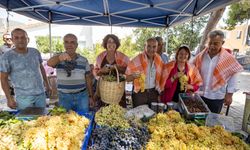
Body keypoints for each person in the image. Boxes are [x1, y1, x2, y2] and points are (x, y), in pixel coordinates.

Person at [192, 30, 243, 113]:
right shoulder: (200, 56)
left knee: (213, 122)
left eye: (216, 43)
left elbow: (233, 76)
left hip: (216, 96)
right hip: (200, 94)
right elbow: (191, 69)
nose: (212, 46)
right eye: (210, 43)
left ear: (222, 43)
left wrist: (229, 95)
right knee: (198, 120)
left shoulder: (228, 58)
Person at [0, 28, 51, 110]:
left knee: (42, 120)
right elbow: (3, 79)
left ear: (28, 39)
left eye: (23, 37)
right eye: (16, 38)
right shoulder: (7, 57)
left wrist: (47, 84)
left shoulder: (35, 52)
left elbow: (41, 69)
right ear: (12, 40)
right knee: (26, 122)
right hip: (23, 97)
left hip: (40, 94)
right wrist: (9, 98)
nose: (20, 40)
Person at [47, 33, 94, 113]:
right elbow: (49, 63)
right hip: (64, 97)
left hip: (82, 96)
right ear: (64, 44)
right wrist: (59, 57)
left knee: (83, 119)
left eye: (72, 42)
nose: (69, 45)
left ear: (76, 45)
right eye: (66, 42)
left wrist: (90, 96)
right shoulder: (58, 57)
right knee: (65, 122)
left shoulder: (83, 60)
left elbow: (88, 79)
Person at [126, 38, 164, 108]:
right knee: (139, 116)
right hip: (139, 93)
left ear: (157, 47)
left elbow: (161, 78)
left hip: (153, 93)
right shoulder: (136, 60)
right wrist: (133, 76)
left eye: (154, 47)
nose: (151, 49)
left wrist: (159, 92)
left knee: (153, 115)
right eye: (148, 46)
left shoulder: (159, 60)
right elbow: (127, 78)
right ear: (144, 46)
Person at [95, 34, 129, 107]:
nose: (111, 44)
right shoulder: (100, 57)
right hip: (104, 91)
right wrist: (102, 70)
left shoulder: (123, 57)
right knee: (104, 114)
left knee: (118, 113)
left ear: (117, 44)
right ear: (105, 44)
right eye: (109, 42)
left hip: (118, 91)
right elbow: (96, 73)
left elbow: (128, 71)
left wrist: (118, 68)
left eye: (114, 42)